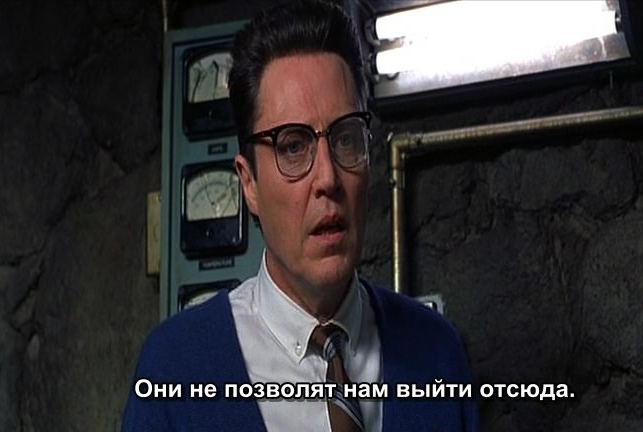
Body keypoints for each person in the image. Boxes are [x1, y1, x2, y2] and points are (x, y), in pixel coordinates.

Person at [122, 1, 478, 430]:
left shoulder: (437, 353)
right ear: (249, 183)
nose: (328, 177)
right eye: (293, 146)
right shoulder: (173, 370)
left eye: (346, 139)